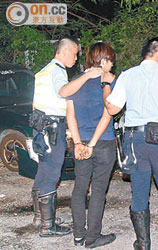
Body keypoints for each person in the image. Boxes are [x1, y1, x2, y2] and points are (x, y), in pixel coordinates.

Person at [103, 37, 158, 249]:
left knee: (140, 190)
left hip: (136, 142)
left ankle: (143, 243)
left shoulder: (127, 76)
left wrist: (106, 86)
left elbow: (112, 109)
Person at [30, 37, 103, 237]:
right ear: (63, 52)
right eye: (74, 53)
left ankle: (41, 218)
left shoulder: (45, 70)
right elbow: (64, 91)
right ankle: (48, 227)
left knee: (44, 170)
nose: (76, 57)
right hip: (52, 128)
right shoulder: (57, 71)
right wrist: (87, 76)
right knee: (52, 172)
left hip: (42, 127)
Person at [66, 42, 117, 248]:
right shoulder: (109, 83)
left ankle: (78, 236)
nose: (113, 65)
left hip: (81, 144)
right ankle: (93, 238)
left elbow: (71, 114)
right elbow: (108, 114)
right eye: (111, 60)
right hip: (102, 144)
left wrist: (79, 143)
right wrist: (92, 144)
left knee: (79, 189)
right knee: (97, 191)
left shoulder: (76, 81)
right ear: (103, 61)